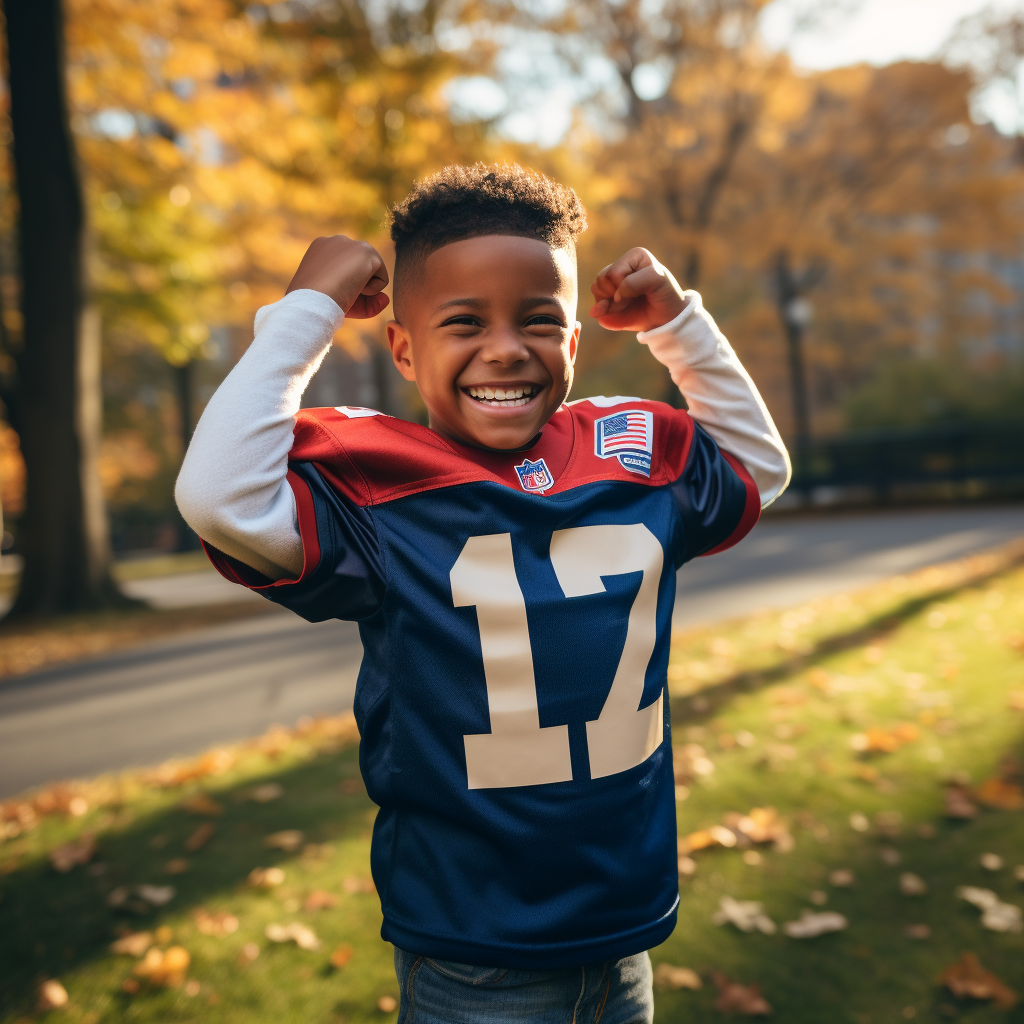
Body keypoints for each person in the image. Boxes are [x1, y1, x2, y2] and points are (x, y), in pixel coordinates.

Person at [176, 163, 790, 1024]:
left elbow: (760, 467)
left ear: (573, 343)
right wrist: (304, 313)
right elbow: (219, 497)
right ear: (403, 348)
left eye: (539, 321)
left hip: (621, 931)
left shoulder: (628, 452)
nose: (506, 348)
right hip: (475, 954)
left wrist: (680, 325)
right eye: (463, 322)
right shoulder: (382, 490)